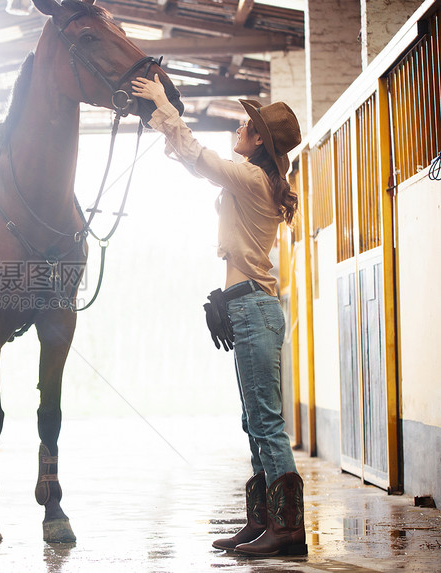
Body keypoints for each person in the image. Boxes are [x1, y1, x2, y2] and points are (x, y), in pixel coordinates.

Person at [132, 75, 307, 557]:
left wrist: (164, 105)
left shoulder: (251, 178)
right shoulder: (259, 179)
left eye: (245, 125)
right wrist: (162, 123)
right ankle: (263, 522)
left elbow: (197, 156)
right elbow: (195, 162)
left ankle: (288, 530)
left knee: (266, 424)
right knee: (255, 422)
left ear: (257, 140)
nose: (238, 128)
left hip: (253, 307)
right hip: (248, 304)